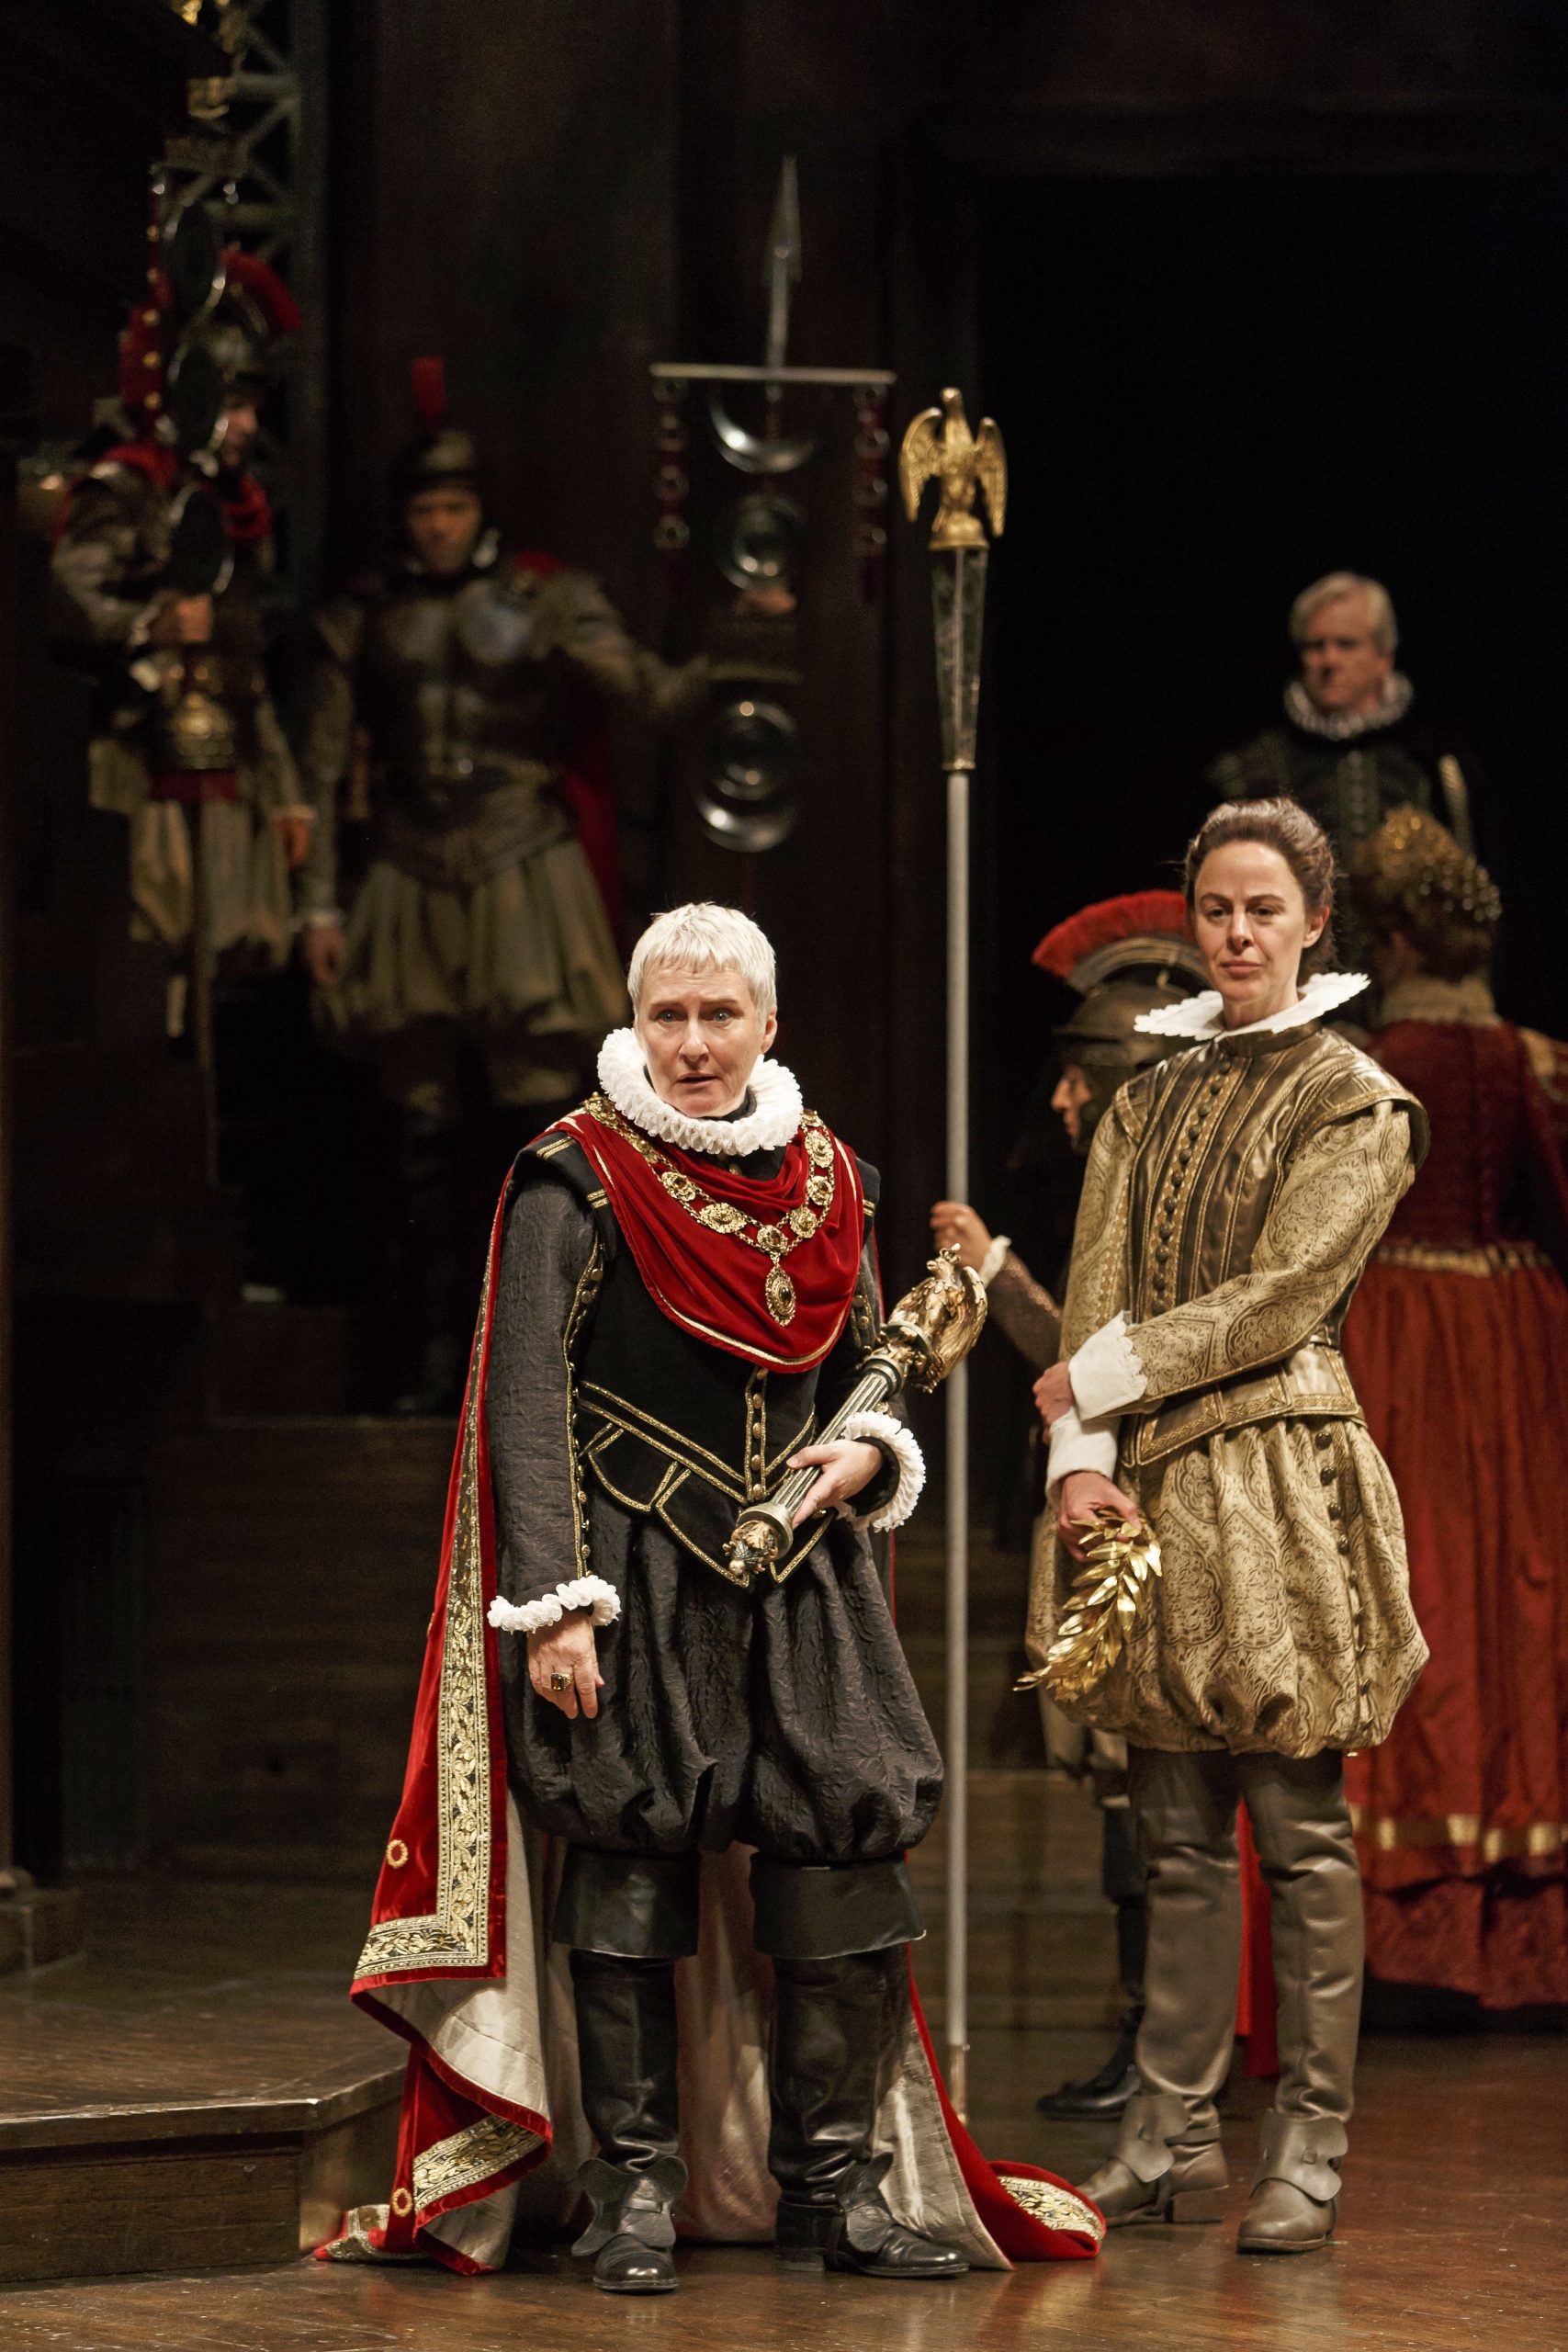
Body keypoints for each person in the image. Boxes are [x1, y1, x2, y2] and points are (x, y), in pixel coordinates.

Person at [326, 903, 1102, 2293]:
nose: (692, 1043)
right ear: (635, 1023)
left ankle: (835, 2192)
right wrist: (555, 1601)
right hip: (628, 1571)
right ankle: (631, 2193)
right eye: (668, 1017)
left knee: (842, 1863)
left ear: (766, 1025)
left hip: (806, 1578)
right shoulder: (573, 1177)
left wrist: (869, 1452)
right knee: (628, 1871)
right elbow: (525, 1402)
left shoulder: (836, 1179)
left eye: (718, 1016)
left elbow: (866, 1374)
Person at [1029, 798, 1428, 2255]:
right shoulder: (1144, 1097)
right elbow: (1090, 1287)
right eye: (1215, 910)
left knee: (1297, 1830)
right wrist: (1077, 1460)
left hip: (1274, 1477)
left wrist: (1107, 1378)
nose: (1237, 934)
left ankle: (1307, 2147)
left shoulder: (1352, 1099)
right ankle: (1168, 2136)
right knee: (1172, 1833)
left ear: (1314, 922)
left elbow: (1280, 1297)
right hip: (1146, 1486)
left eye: (1264, 910)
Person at [296, 362, 716, 1408]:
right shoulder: (366, 616)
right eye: (423, 510)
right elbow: (318, 764)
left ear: (479, 510)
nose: (438, 526)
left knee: (541, 1107)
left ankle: (545, 1346)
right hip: (406, 864)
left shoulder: (545, 601)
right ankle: (438, 1351)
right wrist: (316, 901)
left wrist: (747, 633)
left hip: (522, 859)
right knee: (419, 1122)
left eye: (453, 507)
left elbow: (651, 694)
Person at [931, 890, 1205, 2119]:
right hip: (1103, 1505)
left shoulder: (1166, 1214)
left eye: (1079, 1078)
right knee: (1121, 1791)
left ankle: (1161, 2047)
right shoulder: (1113, 1199)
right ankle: (1144, 2034)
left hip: (1150, 1514)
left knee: (1150, 1795)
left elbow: (1096, 1360)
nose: (1057, 1100)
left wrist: (996, 1274)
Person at [1342, 808, 1568, 2009]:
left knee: (1416, 1583)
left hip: (1399, 1342)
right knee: (1511, 1596)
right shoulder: (1529, 1058)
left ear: (1390, 937)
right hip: (1516, 1347)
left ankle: (1404, 1937)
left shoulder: (1367, 1068)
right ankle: (1520, 1913)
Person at [50, 247, 311, 1003]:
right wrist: (148, 625)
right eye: (232, 404)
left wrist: (284, 789)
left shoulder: (232, 505)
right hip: (140, 761)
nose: (247, 425)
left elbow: (244, 657)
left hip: (224, 755)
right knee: (145, 959)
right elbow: (65, 603)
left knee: (219, 958)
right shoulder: (126, 489)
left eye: (253, 406)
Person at [1208, 572, 1478, 977]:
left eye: (1346, 644)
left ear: (1384, 655)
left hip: (1416, 992)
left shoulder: (1433, 763)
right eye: (1315, 646)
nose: (1329, 661)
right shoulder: (1250, 769)